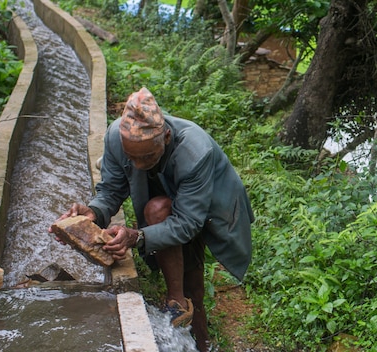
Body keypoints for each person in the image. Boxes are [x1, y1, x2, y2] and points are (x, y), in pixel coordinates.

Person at [50, 87, 254, 352]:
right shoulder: (116, 137)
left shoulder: (195, 152)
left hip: (209, 204)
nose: (135, 165)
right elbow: (111, 190)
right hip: (163, 200)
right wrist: (94, 212)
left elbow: (188, 222)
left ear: (166, 137)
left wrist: (139, 237)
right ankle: (179, 305)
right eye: (130, 157)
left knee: (191, 277)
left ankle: (196, 332)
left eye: (146, 157)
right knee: (158, 214)